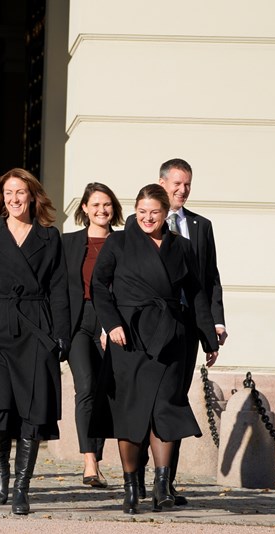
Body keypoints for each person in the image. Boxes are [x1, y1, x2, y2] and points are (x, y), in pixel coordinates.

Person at [91, 183, 219, 514]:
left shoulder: (183, 247)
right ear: (136, 211)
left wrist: (208, 337)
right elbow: (99, 286)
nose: (148, 218)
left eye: (155, 213)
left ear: (166, 214)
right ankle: (132, 486)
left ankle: (162, 486)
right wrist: (112, 323)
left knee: (166, 408)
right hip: (129, 337)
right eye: (143, 212)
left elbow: (196, 294)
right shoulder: (118, 241)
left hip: (173, 338)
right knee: (132, 412)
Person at [0, 168, 70, 516]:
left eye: (20, 192)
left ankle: (22, 487)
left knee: (32, 412)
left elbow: (59, 291)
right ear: (1, 198)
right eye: (8, 193)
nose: (15, 199)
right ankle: (1, 474)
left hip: (36, 329)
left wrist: (61, 333)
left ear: (32, 196)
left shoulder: (50, 238)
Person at [134, 158, 228, 504]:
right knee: (147, 400)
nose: (182, 190)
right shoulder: (139, 227)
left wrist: (214, 323)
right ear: (161, 183)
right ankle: (138, 476)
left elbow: (209, 280)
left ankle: (166, 483)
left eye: (187, 184)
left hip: (188, 327)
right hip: (151, 327)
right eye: (176, 183)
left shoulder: (201, 227)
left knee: (173, 400)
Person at [62, 182, 124, 489]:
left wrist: (110, 324)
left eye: (107, 204)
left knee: (105, 391)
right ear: (84, 208)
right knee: (84, 387)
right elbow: (56, 288)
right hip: (77, 323)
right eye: (95, 204)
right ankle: (89, 462)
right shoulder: (68, 243)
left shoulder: (124, 242)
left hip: (109, 322)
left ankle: (98, 459)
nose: (102, 210)